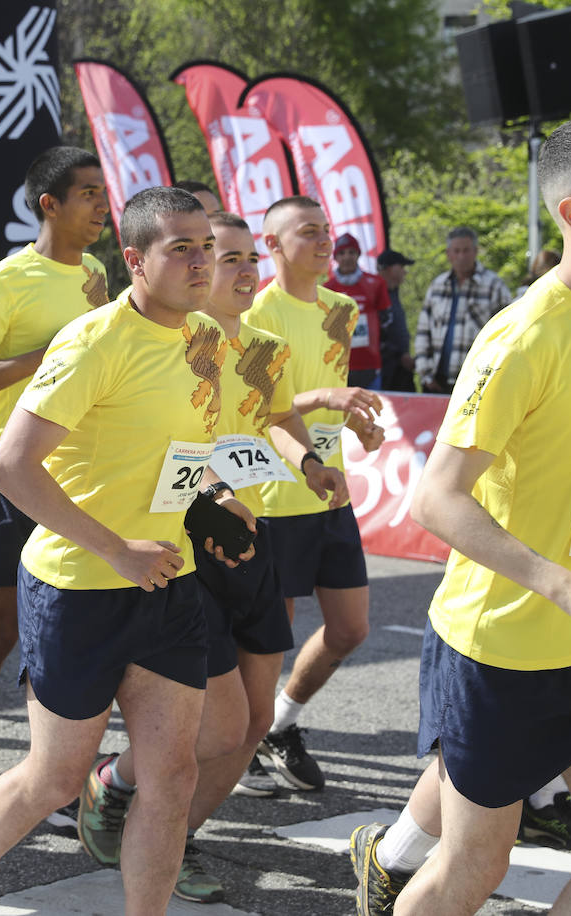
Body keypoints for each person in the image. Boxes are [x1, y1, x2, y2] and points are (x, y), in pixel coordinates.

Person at [354, 115, 571, 916]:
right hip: (502, 653)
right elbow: (434, 497)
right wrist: (567, 587)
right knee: (474, 869)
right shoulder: (525, 334)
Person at [0, 186, 243, 916]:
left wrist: (217, 503)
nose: (204, 262)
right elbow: (11, 469)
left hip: (168, 581)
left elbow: (184, 452)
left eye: (209, 247)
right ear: (135, 260)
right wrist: (117, 549)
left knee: (172, 776)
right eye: (182, 248)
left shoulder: (208, 339)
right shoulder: (93, 341)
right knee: (57, 776)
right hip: (76, 585)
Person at [73, 210, 348, 902]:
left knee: (252, 724)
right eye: (226, 259)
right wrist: (218, 493)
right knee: (213, 724)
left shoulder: (260, 346)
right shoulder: (172, 343)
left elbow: (277, 416)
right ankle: (135, 801)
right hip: (188, 543)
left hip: (255, 541)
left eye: (248, 258)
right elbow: (173, 449)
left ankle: (157, 816)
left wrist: (310, 462)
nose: (241, 271)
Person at [0, 146, 109, 831]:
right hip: (5, 477)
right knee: (0, 627)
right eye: (88, 194)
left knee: (62, 631)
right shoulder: (7, 281)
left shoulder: (97, 273)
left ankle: (53, 777)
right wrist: (50, 355)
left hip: (77, 475)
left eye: (102, 194)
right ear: (50, 204)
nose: (101, 206)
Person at [244, 196, 385, 791]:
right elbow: (257, 406)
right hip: (275, 493)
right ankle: (242, 742)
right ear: (272, 245)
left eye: (326, 230)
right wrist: (326, 399)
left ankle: (281, 722)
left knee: (350, 629)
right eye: (309, 232)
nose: (325, 241)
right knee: (269, 638)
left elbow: (331, 392)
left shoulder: (342, 307)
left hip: (329, 491)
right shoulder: (256, 311)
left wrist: (355, 421)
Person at [413, 227, 512, 394]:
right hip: (436, 381)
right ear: (448, 254)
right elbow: (423, 331)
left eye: (466, 250)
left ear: (475, 251)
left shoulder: (494, 286)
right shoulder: (437, 285)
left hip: (476, 381)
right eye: (456, 251)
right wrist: (425, 373)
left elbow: (506, 335)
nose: (461, 256)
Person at [324, 232, 391, 390]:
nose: (347, 257)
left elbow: (387, 320)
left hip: (370, 364)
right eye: (342, 253)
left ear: (358, 254)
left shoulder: (375, 283)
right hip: (338, 366)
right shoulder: (327, 289)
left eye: (351, 252)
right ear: (335, 258)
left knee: (372, 413)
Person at [376, 248, 416, 392]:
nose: (405, 272)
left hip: (400, 369)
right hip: (386, 370)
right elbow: (376, 335)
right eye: (402, 267)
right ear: (389, 269)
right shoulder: (374, 293)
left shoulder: (393, 292)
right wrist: (400, 355)